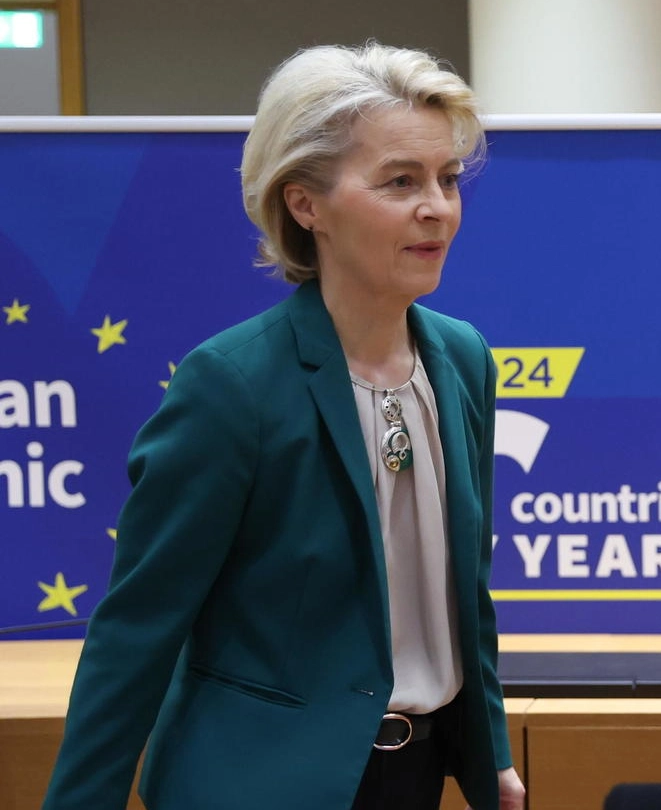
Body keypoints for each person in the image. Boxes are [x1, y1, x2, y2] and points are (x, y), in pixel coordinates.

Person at [42, 43, 524, 810]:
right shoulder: (232, 384)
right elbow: (137, 630)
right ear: (305, 204)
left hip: (420, 776)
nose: (437, 206)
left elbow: (467, 590)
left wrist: (489, 752)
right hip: (255, 783)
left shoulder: (462, 358)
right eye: (400, 181)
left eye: (447, 178)